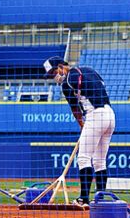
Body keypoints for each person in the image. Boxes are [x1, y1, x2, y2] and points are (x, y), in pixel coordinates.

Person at [43, 56, 115, 208]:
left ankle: (83, 198)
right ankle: (100, 197)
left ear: (62, 66)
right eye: (51, 75)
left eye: (54, 72)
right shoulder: (89, 70)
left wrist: (82, 125)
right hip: (110, 115)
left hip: (94, 115)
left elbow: (75, 109)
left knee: (83, 158)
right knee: (99, 160)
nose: (54, 77)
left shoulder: (67, 82)